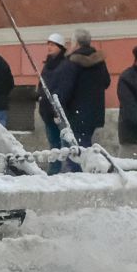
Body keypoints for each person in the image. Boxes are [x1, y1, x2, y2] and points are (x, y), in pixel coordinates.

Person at [48, 28, 111, 170]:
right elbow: (106, 82)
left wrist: (57, 111)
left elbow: (64, 90)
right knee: (85, 148)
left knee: (74, 154)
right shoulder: (99, 62)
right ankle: (86, 176)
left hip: (74, 114)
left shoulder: (71, 62)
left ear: (76, 44)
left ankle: (79, 181)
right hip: (93, 113)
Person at [35, 33, 69, 171]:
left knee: (64, 143)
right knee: (53, 143)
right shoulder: (48, 64)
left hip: (59, 110)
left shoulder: (65, 65)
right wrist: (38, 95)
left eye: (53, 45)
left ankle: (64, 169)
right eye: (48, 44)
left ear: (60, 47)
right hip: (46, 110)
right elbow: (42, 83)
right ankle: (54, 169)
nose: (49, 47)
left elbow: (64, 87)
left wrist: (58, 107)